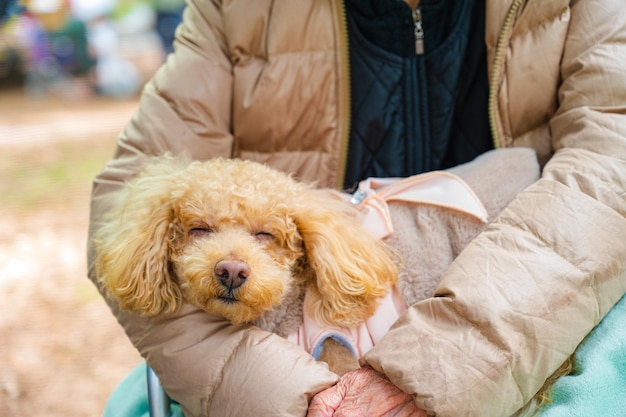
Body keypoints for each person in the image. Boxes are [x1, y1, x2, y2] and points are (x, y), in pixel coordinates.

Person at [87, 0, 626, 416]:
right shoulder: (233, 8)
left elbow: (610, 171)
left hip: (548, 288)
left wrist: (443, 368)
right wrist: (294, 395)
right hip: (265, 337)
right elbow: (126, 191)